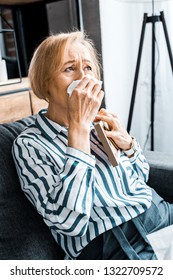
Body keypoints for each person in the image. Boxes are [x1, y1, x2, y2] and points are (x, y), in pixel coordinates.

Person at [12, 31, 173, 260]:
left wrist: (128, 145)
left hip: (157, 214)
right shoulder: (29, 145)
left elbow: (140, 177)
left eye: (88, 68)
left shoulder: (99, 124)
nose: (83, 78)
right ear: (45, 83)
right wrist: (77, 129)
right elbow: (69, 223)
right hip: (114, 243)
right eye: (69, 69)